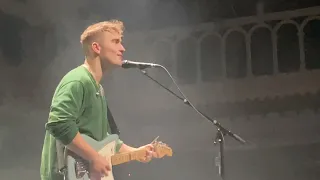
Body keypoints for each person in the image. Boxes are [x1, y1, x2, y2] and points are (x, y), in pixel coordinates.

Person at [40, 19, 159, 180]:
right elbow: (59, 124)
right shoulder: (77, 80)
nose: (122, 48)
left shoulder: (98, 89)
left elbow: (105, 142)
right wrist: (94, 157)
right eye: (115, 42)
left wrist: (137, 152)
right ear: (96, 47)